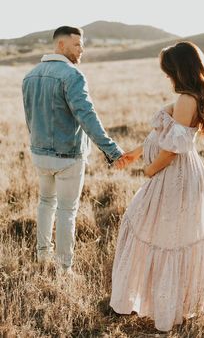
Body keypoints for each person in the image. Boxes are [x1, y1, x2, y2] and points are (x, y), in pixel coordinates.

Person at [110, 41, 204, 331]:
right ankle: (166, 303)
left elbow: (173, 148)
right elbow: (160, 137)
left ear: (180, 70)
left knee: (167, 237)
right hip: (173, 174)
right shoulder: (187, 98)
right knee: (160, 233)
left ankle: (170, 307)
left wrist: (149, 168)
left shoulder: (188, 100)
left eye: (169, 71)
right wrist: (135, 154)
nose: (167, 76)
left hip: (175, 175)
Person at [22, 25, 127, 274]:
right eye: (77, 44)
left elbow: (30, 118)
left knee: (45, 203)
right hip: (68, 156)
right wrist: (112, 150)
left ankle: (42, 256)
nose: (82, 49)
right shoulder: (72, 75)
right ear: (61, 45)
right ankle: (63, 267)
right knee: (67, 210)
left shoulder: (30, 75)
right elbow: (86, 116)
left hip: (39, 154)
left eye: (82, 44)